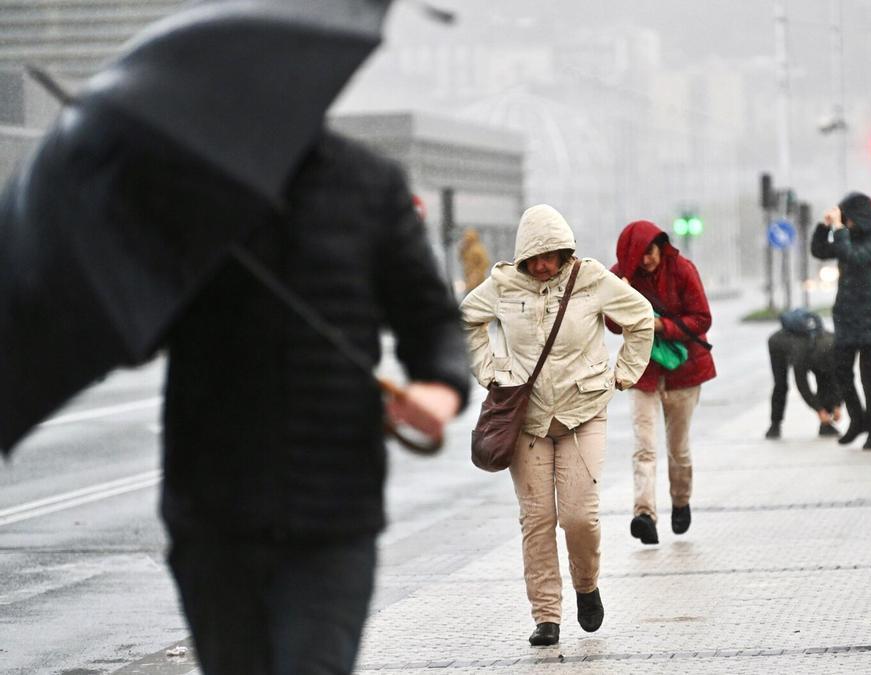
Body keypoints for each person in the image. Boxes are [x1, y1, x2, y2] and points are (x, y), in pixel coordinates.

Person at [161, 131, 472, 675]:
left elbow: (431, 319)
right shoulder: (184, 192)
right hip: (214, 519)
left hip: (334, 513)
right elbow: (138, 328)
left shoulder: (368, 185)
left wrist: (441, 387)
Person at [459, 204, 653, 647]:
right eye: (535, 257)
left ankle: (586, 585)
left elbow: (641, 318)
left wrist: (624, 373)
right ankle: (546, 615)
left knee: (579, 517)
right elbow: (469, 317)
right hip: (526, 420)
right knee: (537, 519)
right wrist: (490, 371)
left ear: (566, 251)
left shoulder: (592, 279)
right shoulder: (504, 285)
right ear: (523, 256)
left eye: (551, 255)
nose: (543, 264)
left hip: (582, 412)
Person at [607, 220, 716, 546]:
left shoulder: (681, 269)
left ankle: (680, 500)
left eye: (650, 253)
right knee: (644, 447)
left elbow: (702, 317)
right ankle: (644, 515)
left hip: (684, 371)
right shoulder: (620, 276)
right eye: (639, 257)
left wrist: (661, 326)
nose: (646, 261)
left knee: (678, 449)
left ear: (660, 245)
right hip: (643, 372)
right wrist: (622, 293)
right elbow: (612, 326)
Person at [810, 192, 871, 450]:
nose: (847, 223)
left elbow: (854, 257)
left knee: (868, 378)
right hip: (846, 319)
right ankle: (858, 419)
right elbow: (820, 250)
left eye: (850, 218)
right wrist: (825, 226)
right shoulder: (848, 238)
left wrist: (840, 230)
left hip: (870, 319)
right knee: (841, 371)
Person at [765, 309, 842, 440]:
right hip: (779, 346)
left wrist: (837, 405)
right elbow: (802, 385)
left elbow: (838, 380)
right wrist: (819, 410)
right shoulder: (800, 354)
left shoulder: (834, 343)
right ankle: (775, 425)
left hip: (814, 350)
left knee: (825, 380)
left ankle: (826, 425)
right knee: (781, 385)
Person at [459, 227, 491, 293]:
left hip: (476, 277)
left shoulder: (478, 249)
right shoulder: (467, 249)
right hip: (468, 276)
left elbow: (485, 263)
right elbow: (461, 258)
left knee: (475, 293)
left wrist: (477, 273)